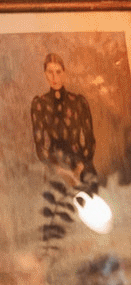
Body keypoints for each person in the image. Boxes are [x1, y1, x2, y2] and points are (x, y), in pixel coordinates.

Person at [31, 52, 98, 193]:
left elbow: (90, 141)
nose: (54, 77)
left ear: (64, 73)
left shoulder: (79, 102)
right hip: (55, 168)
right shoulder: (39, 104)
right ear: (45, 74)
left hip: (81, 166)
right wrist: (61, 172)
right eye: (50, 72)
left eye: (58, 72)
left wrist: (78, 170)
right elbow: (40, 147)